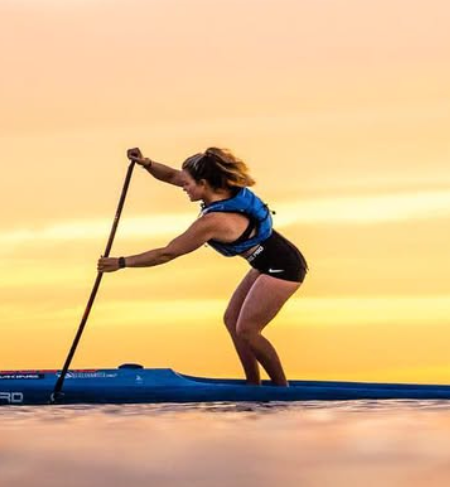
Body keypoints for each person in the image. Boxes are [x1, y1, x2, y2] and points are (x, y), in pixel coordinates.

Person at [98, 147, 308, 387]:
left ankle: (282, 389)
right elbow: (171, 176)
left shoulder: (213, 222)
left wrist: (122, 262)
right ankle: (253, 385)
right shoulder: (219, 190)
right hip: (263, 262)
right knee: (232, 320)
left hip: (284, 267)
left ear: (204, 184)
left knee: (248, 329)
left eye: (187, 184)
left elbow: (168, 253)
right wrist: (146, 163)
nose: (183, 187)